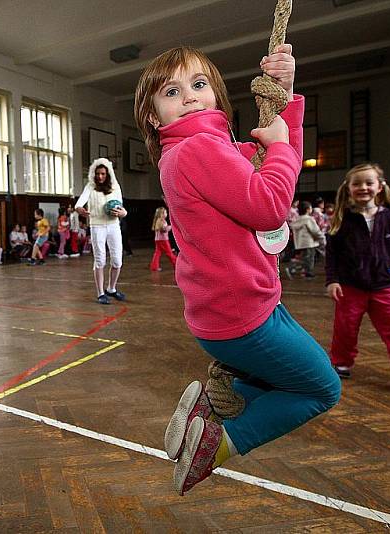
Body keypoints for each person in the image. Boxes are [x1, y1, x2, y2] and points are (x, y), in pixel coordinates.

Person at [134, 44, 340, 495]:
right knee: (321, 389)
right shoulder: (196, 151)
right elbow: (269, 206)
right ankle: (220, 441)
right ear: (153, 116)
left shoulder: (209, 147)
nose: (189, 96)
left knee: (299, 377)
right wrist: (282, 145)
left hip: (244, 305)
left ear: (216, 93)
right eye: (172, 91)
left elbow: (275, 163)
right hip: (242, 316)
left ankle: (209, 411)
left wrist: (285, 97)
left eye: (199, 84)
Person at [325, 163, 390, 393]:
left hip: (384, 287)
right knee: (345, 328)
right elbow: (332, 255)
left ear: (380, 187)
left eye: (369, 182)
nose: (363, 187)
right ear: (348, 188)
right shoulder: (342, 220)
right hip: (350, 288)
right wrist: (332, 280)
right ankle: (340, 363)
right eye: (357, 183)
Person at [75, 158, 128, 304]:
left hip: (113, 225)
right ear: (94, 173)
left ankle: (111, 288)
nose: (100, 176)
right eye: (98, 173)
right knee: (100, 260)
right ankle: (100, 293)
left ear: (108, 174)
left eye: (103, 174)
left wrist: (123, 213)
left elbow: (122, 209)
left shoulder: (115, 187)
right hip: (97, 225)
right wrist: (80, 209)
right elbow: (79, 204)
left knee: (117, 260)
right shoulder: (90, 187)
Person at [289, 201, 324, 279]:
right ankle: (307, 273)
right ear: (308, 209)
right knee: (309, 259)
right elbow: (315, 231)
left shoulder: (297, 219)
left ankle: (297, 269)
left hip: (300, 243)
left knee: (304, 258)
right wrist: (322, 239)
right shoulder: (309, 219)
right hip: (309, 243)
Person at [150, 206, 177, 272]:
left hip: (157, 240)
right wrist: (171, 227)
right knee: (169, 252)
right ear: (161, 214)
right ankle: (176, 264)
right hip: (163, 240)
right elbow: (163, 230)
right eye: (165, 213)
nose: (166, 214)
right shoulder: (162, 221)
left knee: (157, 253)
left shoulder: (157, 220)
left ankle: (154, 266)